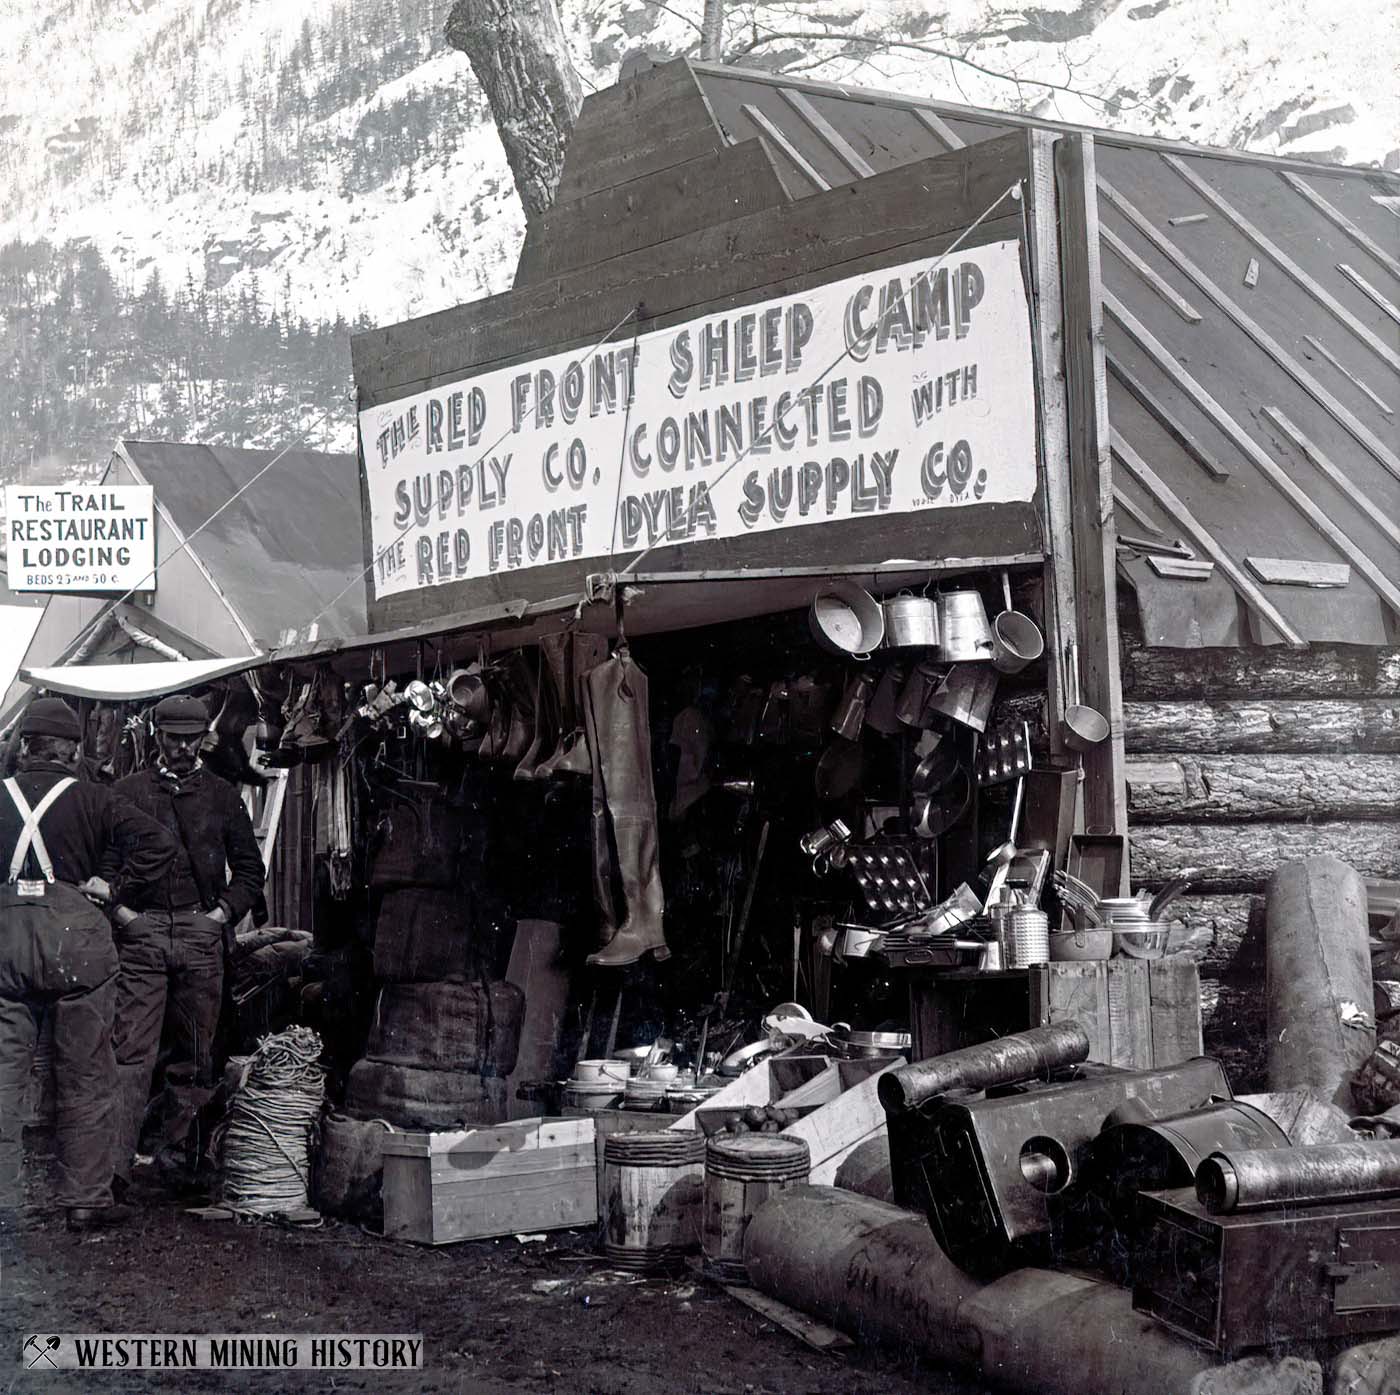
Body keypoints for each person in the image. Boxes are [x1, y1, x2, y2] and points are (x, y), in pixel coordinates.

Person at [0, 697, 176, 1231]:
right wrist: (114, 885)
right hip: (76, 940)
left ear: (24, 747)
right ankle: (85, 1200)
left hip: (5, 939)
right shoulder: (97, 800)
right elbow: (159, 843)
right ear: (74, 751)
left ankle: (3, 1205)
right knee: (86, 1075)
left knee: (3, 1079)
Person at [107, 694, 266, 1195]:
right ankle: (112, 1172)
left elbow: (249, 870)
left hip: (201, 934)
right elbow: (104, 866)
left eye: (189, 739)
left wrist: (220, 914)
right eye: (172, 738)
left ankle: (178, 1161)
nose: (180, 747)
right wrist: (125, 916)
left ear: (204, 739)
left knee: (196, 1057)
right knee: (131, 1052)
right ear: (155, 736)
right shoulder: (127, 792)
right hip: (142, 935)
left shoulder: (222, 795)